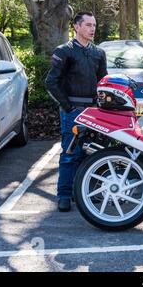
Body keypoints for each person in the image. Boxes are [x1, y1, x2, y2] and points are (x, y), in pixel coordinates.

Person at [45, 11, 107, 212]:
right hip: (73, 111)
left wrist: (102, 107)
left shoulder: (98, 53)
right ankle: (64, 195)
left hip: (94, 111)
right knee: (70, 153)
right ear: (76, 27)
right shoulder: (64, 51)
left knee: (90, 152)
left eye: (94, 25)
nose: (92, 29)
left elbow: (103, 82)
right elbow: (51, 82)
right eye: (88, 25)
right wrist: (68, 106)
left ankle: (81, 193)